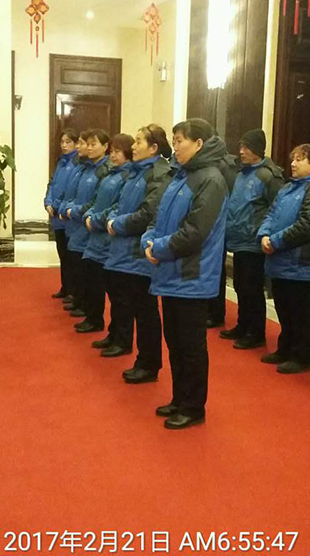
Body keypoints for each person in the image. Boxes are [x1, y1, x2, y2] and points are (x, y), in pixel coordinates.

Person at [141, 118, 229, 430]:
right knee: (175, 342)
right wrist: (149, 240)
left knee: (191, 346)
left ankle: (193, 406)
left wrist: (159, 248)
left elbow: (195, 232)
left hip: (192, 274)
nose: (175, 146)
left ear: (199, 144)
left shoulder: (211, 180)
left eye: (181, 141)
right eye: (175, 140)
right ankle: (180, 398)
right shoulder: (182, 176)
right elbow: (159, 218)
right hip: (171, 271)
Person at [258, 144, 310, 373]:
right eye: (293, 159)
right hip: (280, 258)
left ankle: (300, 355)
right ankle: (285, 348)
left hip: (301, 259)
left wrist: (275, 241)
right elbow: (271, 213)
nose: (293, 163)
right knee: (283, 306)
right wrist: (264, 234)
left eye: (300, 159)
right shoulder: (288, 187)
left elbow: (308, 225)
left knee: (299, 309)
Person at [106, 125, 174, 381]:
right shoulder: (136, 172)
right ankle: (141, 358)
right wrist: (113, 218)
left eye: (138, 142)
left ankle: (149, 363)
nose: (133, 147)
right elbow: (121, 204)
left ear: (154, 148)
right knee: (132, 305)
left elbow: (148, 213)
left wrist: (118, 224)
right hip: (125, 249)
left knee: (145, 311)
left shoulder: (158, 174)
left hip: (140, 251)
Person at [220, 129, 285, 349]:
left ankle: (256, 332)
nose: (241, 151)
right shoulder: (242, 173)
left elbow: (277, 208)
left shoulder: (268, 175)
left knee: (252, 288)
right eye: (241, 146)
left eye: (246, 147)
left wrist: (265, 233)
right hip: (238, 239)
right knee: (240, 285)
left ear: (257, 149)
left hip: (254, 242)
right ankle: (243, 324)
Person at [82, 133, 132, 352]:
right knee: (106, 288)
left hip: (111, 239)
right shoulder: (111, 174)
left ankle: (122, 338)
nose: (113, 155)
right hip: (98, 238)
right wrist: (90, 214)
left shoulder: (127, 176)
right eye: (112, 151)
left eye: (117, 151)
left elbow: (118, 207)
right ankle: (113, 333)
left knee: (119, 295)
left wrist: (97, 219)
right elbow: (97, 201)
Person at [63, 129, 111, 333]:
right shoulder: (86, 167)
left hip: (92, 227)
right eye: (87, 144)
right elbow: (76, 194)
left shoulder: (104, 170)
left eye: (93, 144)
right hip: (80, 224)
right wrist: (69, 207)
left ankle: (93, 316)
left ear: (105, 147)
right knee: (84, 272)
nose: (89, 148)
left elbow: (97, 201)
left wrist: (79, 212)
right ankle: (88, 310)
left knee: (93, 277)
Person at [59, 131, 91, 317]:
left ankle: (86, 305)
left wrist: (73, 210)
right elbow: (65, 190)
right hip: (71, 220)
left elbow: (94, 201)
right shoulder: (79, 167)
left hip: (84, 223)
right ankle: (76, 297)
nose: (79, 147)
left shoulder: (98, 170)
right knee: (70, 261)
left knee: (85, 270)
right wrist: (59, 205)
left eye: (81, 143)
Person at [44, 128, 79, 299]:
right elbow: (52, 184)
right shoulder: (60, 162)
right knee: (62, 254)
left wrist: (56, 204)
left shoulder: (77, 163)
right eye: (62, 142)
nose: (64, 145)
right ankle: (65, 287)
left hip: (66, 215)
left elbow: (70, 190)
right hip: (56, 216)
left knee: (71, 256)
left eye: (68, 142)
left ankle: (73, 290)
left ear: (76, 143)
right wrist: (48, 201)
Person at [207, 149, 240, 328]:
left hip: (219, 227)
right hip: (213, 226)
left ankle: (216, 312)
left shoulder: (224, 168)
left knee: (216, 271)